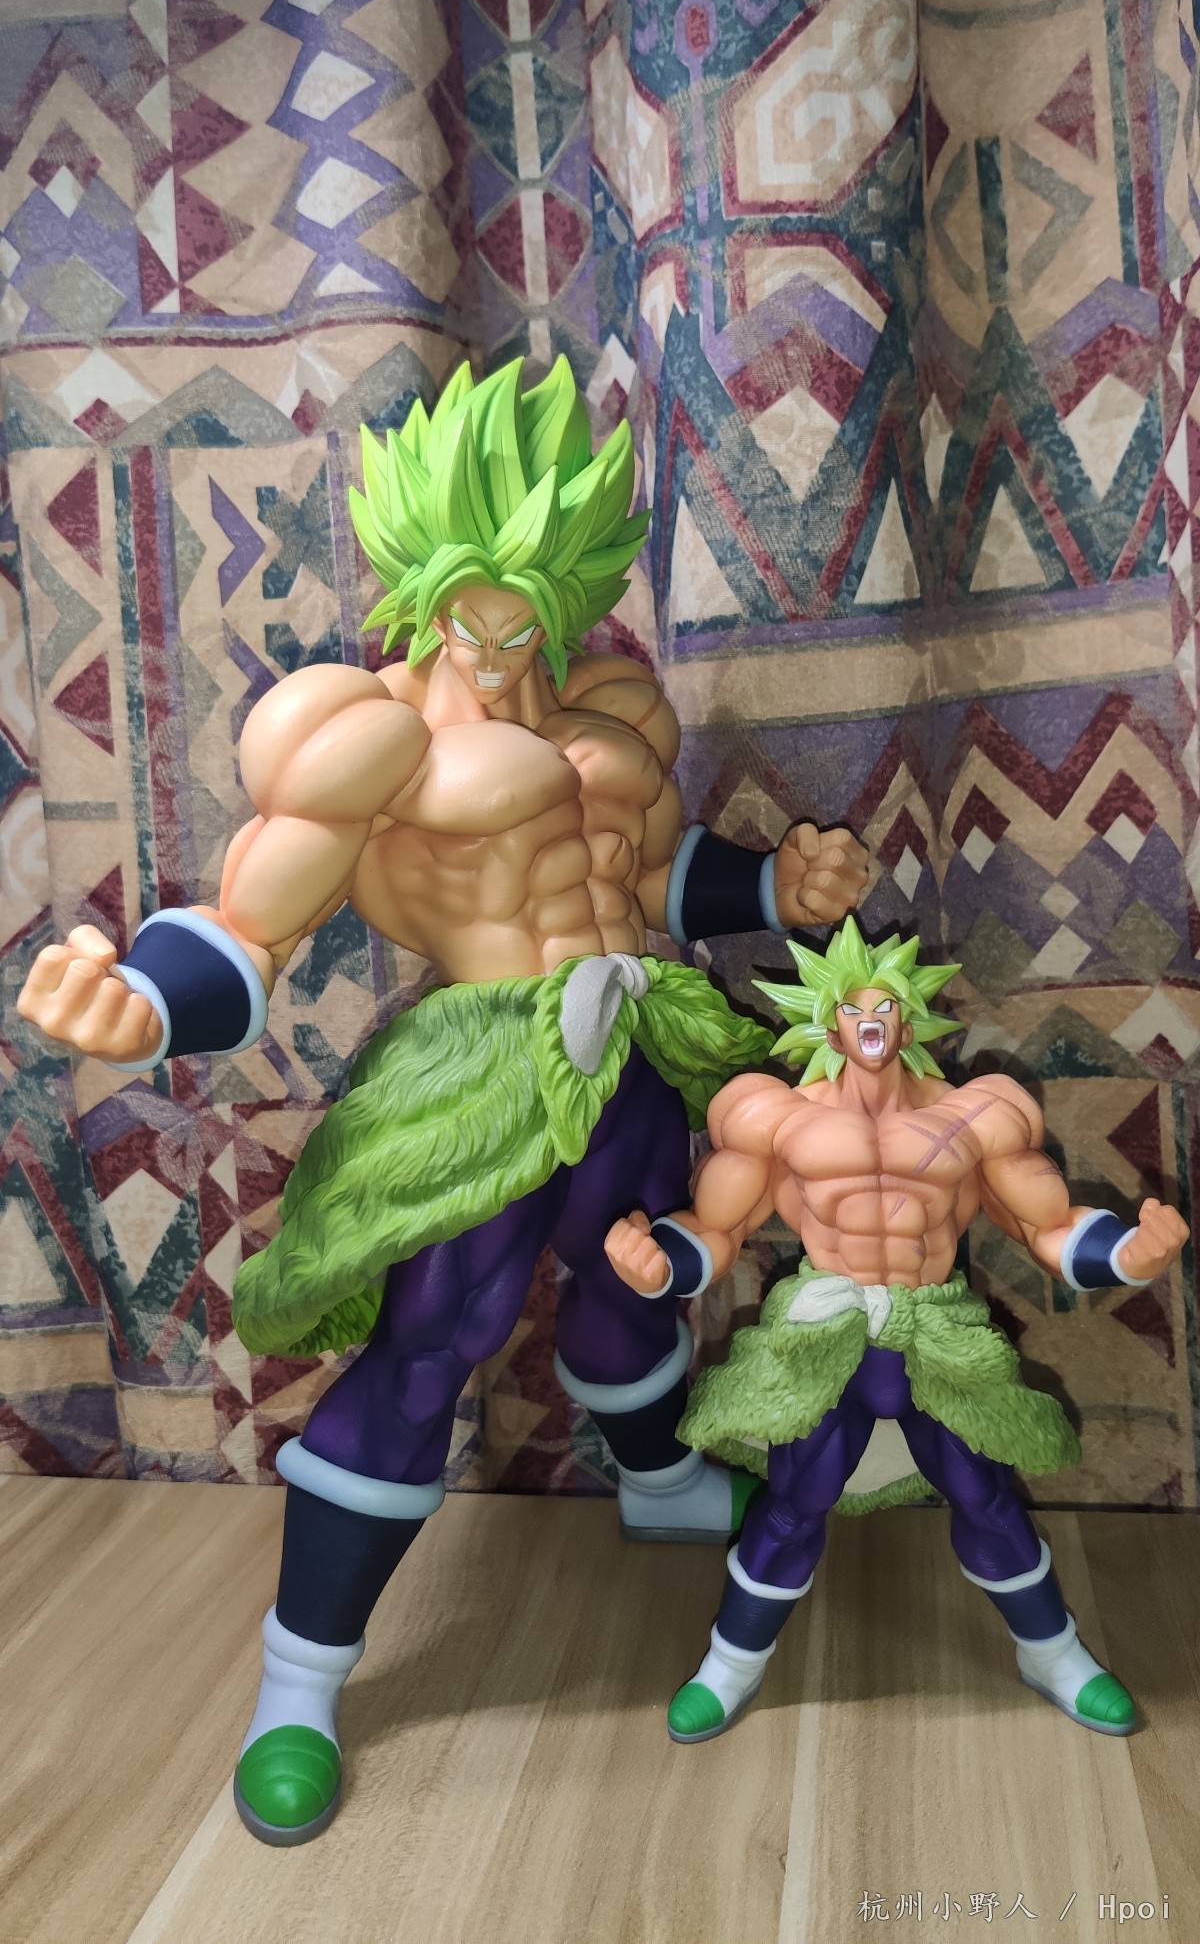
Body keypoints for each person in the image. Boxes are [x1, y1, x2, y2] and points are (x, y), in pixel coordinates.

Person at [17, 354, 870, 1842]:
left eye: (535, 592)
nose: (500, 631)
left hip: (633, 1040)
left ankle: (658, 1481)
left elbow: (648, 877)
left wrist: (773, 892)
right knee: (431, 1342)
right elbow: (254, 922)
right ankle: (301, 1684)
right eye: (474, 593)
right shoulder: (368, 733)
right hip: (485, 1066)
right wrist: (144, 1002)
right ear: (416, 565)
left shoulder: (614, 702)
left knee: (639, 1276)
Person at [605, 916, 1189, 1743]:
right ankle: (730, 1665)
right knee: (793, 1503)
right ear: (827, 1024)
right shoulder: (774, 1116)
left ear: (910, 1024)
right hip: (829, 1334)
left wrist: (1127, 1254)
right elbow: (716, 1226)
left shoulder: (977, 1114)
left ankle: (1052, 1653)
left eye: (888, 1005)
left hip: (933, 1328)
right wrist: (659, 1264)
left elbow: (1045, 1224)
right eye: (854, 1005)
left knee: (986, 1495)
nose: (871, 1019)